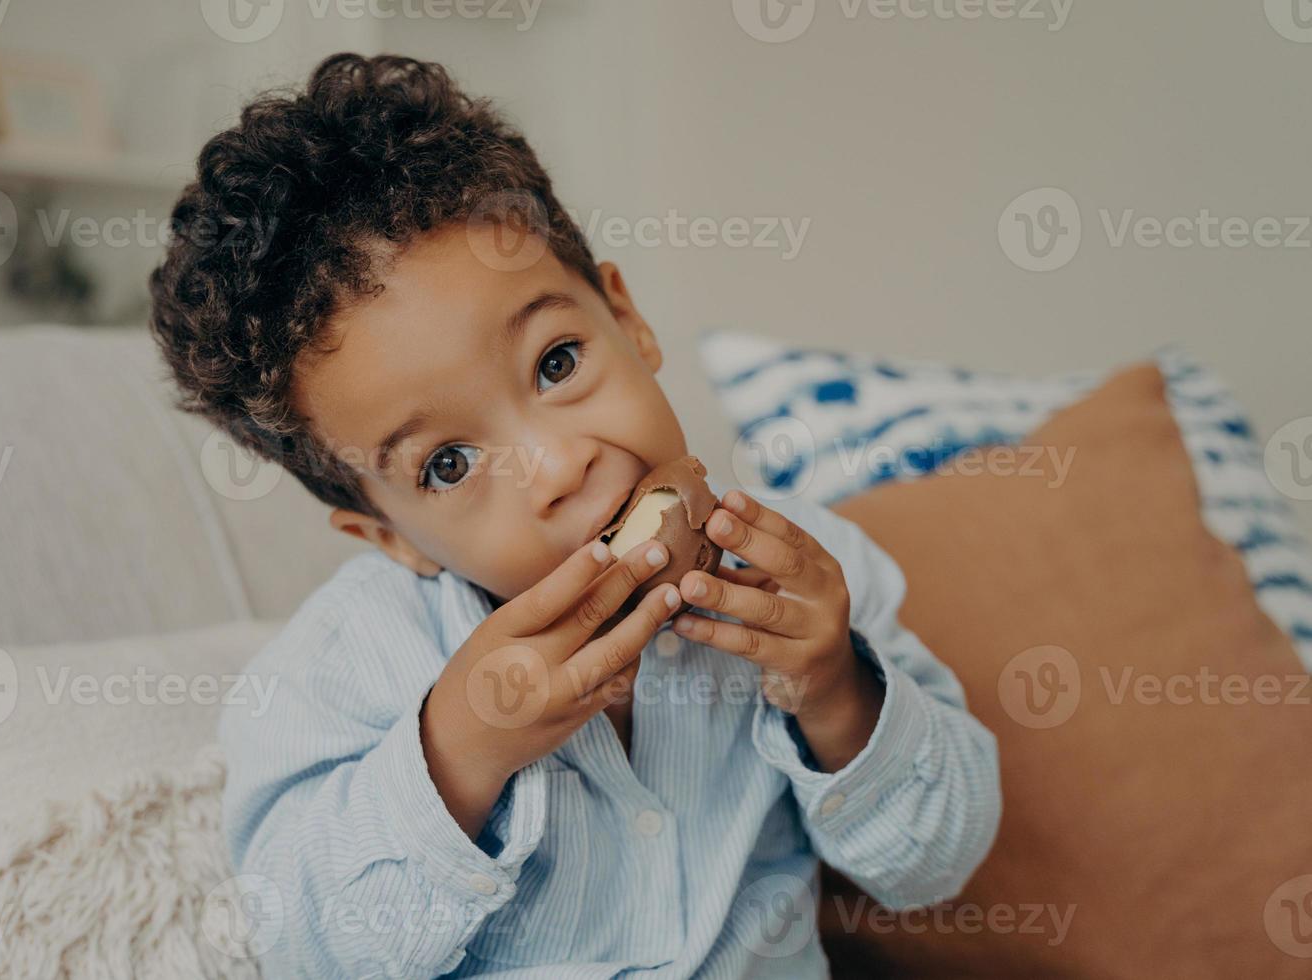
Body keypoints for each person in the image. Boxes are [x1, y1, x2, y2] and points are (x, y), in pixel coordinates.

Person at [149, 52, 1001, 978]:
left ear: (628, 321)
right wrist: (459, 755)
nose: (557, 465)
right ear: (389, 537)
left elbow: (937, 863)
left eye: (556, 363)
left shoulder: (808, 574)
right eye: (447, 463)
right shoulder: (344, 666)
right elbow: (308, 949)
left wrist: (836, 689)